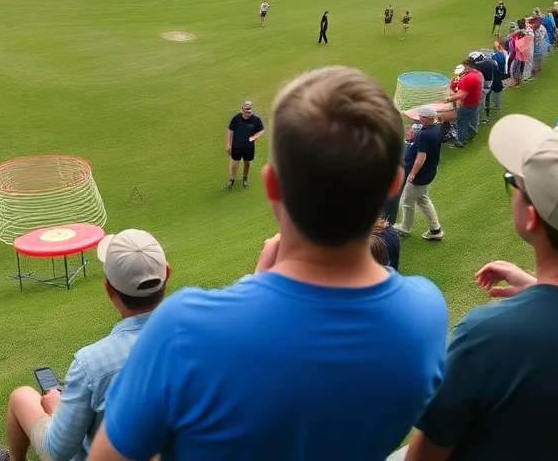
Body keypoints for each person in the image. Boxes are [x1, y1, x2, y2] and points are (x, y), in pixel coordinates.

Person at [88, 67, 448, 461]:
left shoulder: (183, 327)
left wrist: (250, 290)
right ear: (393, 186)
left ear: (272, 185)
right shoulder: (426, 309)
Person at [404, 115, 558, 461]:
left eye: (513, 183)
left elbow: (425, 457)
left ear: (533, 216)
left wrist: (541, 301)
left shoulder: (486, 336)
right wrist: (541, 291)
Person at [0, 229, 170, 461]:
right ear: (166, 272)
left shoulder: (92, 363)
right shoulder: (201, 339)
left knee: (21, 396)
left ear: (108, 290)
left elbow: (58, 450)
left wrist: (56, 408)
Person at [396, 106, 444, 241]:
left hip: (420, 174)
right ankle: (435, 229)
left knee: (407, 201)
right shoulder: (436, 129)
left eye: (422, 117)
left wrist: (412, 174)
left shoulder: (424, 134)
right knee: (423, 199)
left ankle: (405, 228)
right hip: (429, 171)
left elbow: (421, 157)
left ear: (428, 118)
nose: (420, 119)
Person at [225, 100, 265, 190]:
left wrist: (255, 137)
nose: (247, 114)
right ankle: (232, 179)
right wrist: (228, 144)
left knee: (247, 162)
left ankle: (244, 178)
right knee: (235, 162)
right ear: (242, 110)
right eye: (246, 112)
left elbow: (261, 130)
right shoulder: (236, 118)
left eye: (249, 112)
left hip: (248, 146)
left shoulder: (256, 119)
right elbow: (230, 131)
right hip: (236, 145)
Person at [448, 56, 483, 148]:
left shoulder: (467, 78)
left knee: (461, 123)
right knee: (465, 121)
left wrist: (449, 99)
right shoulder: (476, 74)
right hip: (473, 102)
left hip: (467, 104)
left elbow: (462, 94)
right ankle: (473, 132)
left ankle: (461, 141)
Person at [485, 40, 507, 121]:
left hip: (495, 78)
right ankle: (495, 106)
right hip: (498, 77)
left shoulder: (497, 57)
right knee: (496, 94)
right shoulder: (502, 54)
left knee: (493, 93)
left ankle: (494, 106)